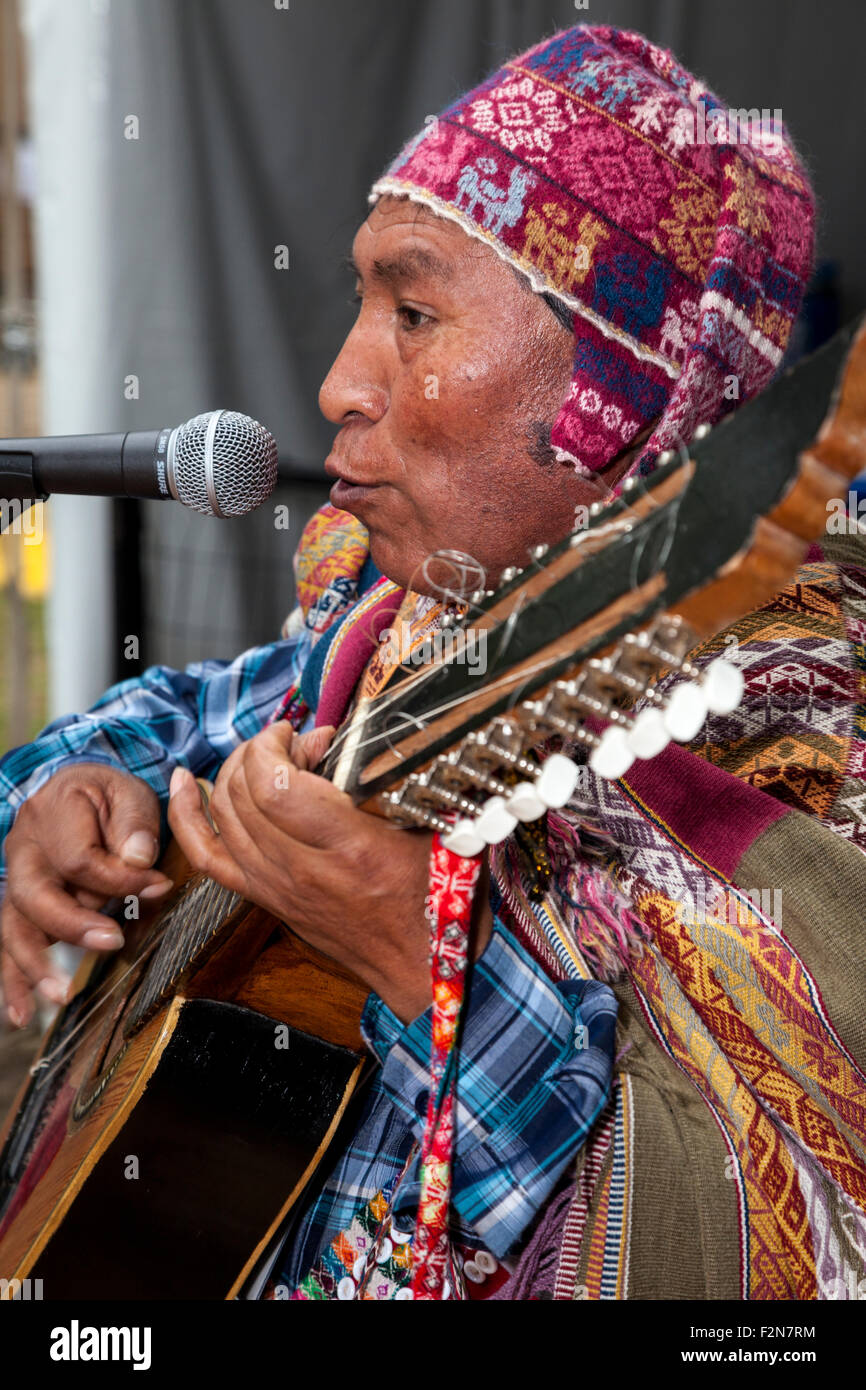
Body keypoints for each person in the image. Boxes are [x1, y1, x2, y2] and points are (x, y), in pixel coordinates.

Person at [2, 23, 864, 1300]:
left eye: (411, 312)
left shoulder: (799, 744)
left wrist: (424, 965)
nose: (341, 381)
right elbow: (183, 712)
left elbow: (775, 1253)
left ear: (615, 391)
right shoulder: (386, 629)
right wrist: (65, 800)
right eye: (361, 305)